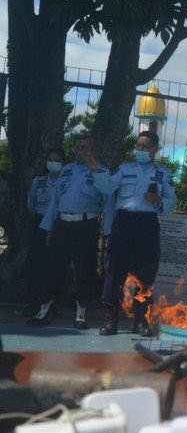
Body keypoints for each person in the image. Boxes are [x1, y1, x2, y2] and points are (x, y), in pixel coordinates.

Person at [88, 131, 176, 336]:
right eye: (138, 146)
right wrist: (95, 170)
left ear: (155, 149)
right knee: (114, 271)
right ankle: (110, 320)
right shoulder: (125, 169)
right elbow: (107, 186)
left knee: (145, 274)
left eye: (145, 146)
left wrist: (158, 201)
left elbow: (171, 200)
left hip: (147, 225)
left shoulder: (164, 173)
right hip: (124, 223)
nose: (140, 150)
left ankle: (141, 321)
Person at [28, 135, 109, 330]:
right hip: (62, 225)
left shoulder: (102, 171)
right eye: (77, 147)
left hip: (85, 225)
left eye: (85, 147)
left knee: (84, 270)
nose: (81, 150)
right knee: (53, 269)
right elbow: (55, 202)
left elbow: (108, 204)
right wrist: (48, 229)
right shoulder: (66, 170)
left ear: (93, 149)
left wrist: (108, 233)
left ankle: (81, 313)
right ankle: (45, 310)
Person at [18, 148, 66, 317]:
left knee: (56, 265)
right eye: (50, 159)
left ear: (63, 163)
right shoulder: (38, 181)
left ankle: (53, 304)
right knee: (36, 264)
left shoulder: (66, 181)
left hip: (60, 224)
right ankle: (33, 303)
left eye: (56, 160)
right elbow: (31, 204)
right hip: (40, 223)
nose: (53, 163)